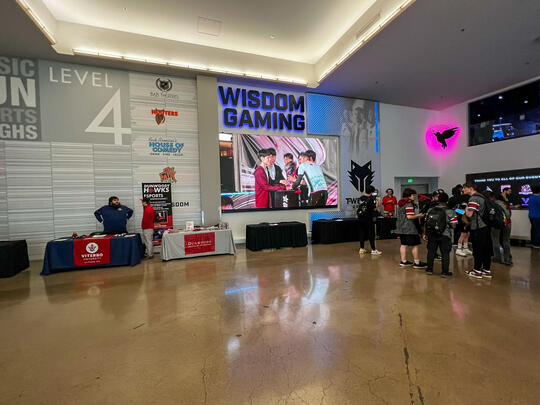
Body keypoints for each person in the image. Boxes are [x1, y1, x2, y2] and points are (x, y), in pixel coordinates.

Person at [423, 192, 458, 277]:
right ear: (447, 200)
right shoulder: (451, 211)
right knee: (445, 253)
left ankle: (429, 270)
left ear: (438, 200)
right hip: (445, 235)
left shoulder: (430, 210)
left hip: (432, 234)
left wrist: (424, 233)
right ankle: (445, 272)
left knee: (431, 252)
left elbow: (426, 223)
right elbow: (454, 225)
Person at [463, 182, 492, 279]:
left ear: (470, 188)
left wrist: (465, 209)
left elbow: (469, 214)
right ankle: (486, 269)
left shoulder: (473, 198)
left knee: (477, 249)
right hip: (486, 226)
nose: (463, 190)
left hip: (478, 227)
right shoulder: (482, 197)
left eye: (465, 188)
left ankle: (477, 270)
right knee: (486, 249)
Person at [396, 188, 427, 268]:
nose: (414, 196)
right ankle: (417, 263)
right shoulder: (409, 204)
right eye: (413, 195)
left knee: (403, 244)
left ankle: (403, 261)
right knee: (415, 245)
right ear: (408, 196)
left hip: (401, 227)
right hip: (410, 228)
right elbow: (409, 217)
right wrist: (419, 215)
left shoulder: (401, 204)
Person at [357, 185, 382, 255]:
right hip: (368, 218)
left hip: (360, 218)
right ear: (371, 191)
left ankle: (361, 248)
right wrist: (377, 205)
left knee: (362, 233)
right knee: (371, 234)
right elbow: (374, 209)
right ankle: (373, 250)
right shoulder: (371, 199)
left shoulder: (361, 198)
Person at [490, 193, 512, 265]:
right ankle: (507, 258)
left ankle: (497, 257)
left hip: (497, 224)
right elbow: (509, 214)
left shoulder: (493, 204)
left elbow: (491, 215)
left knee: (495, 240)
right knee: (506, 240)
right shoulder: (505, 204)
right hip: (507, 223)